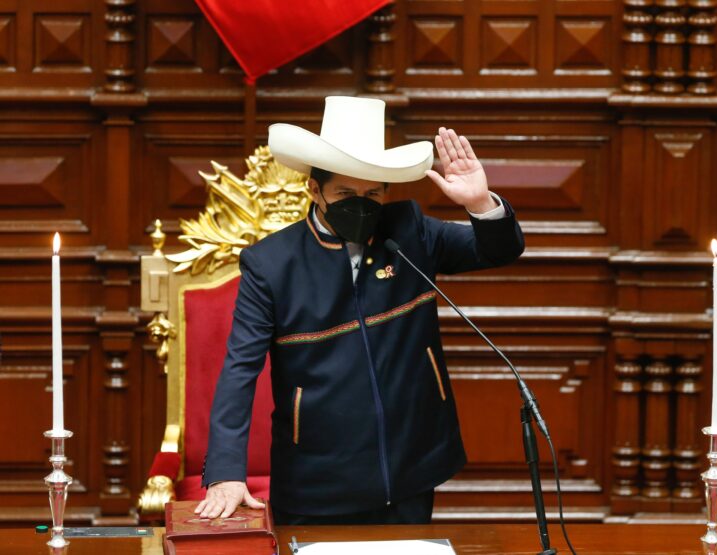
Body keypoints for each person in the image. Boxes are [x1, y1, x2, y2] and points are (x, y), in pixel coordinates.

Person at [195, 96, 525, 525]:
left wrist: (480, 204)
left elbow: (498, 250)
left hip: (411, 466)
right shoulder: (271, 264)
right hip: (316, 479)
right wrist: (225, 471)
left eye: (372, 193)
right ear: (314, 190)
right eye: (345, 193)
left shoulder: (410, 230)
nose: (361, 203)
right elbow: (241, 367)